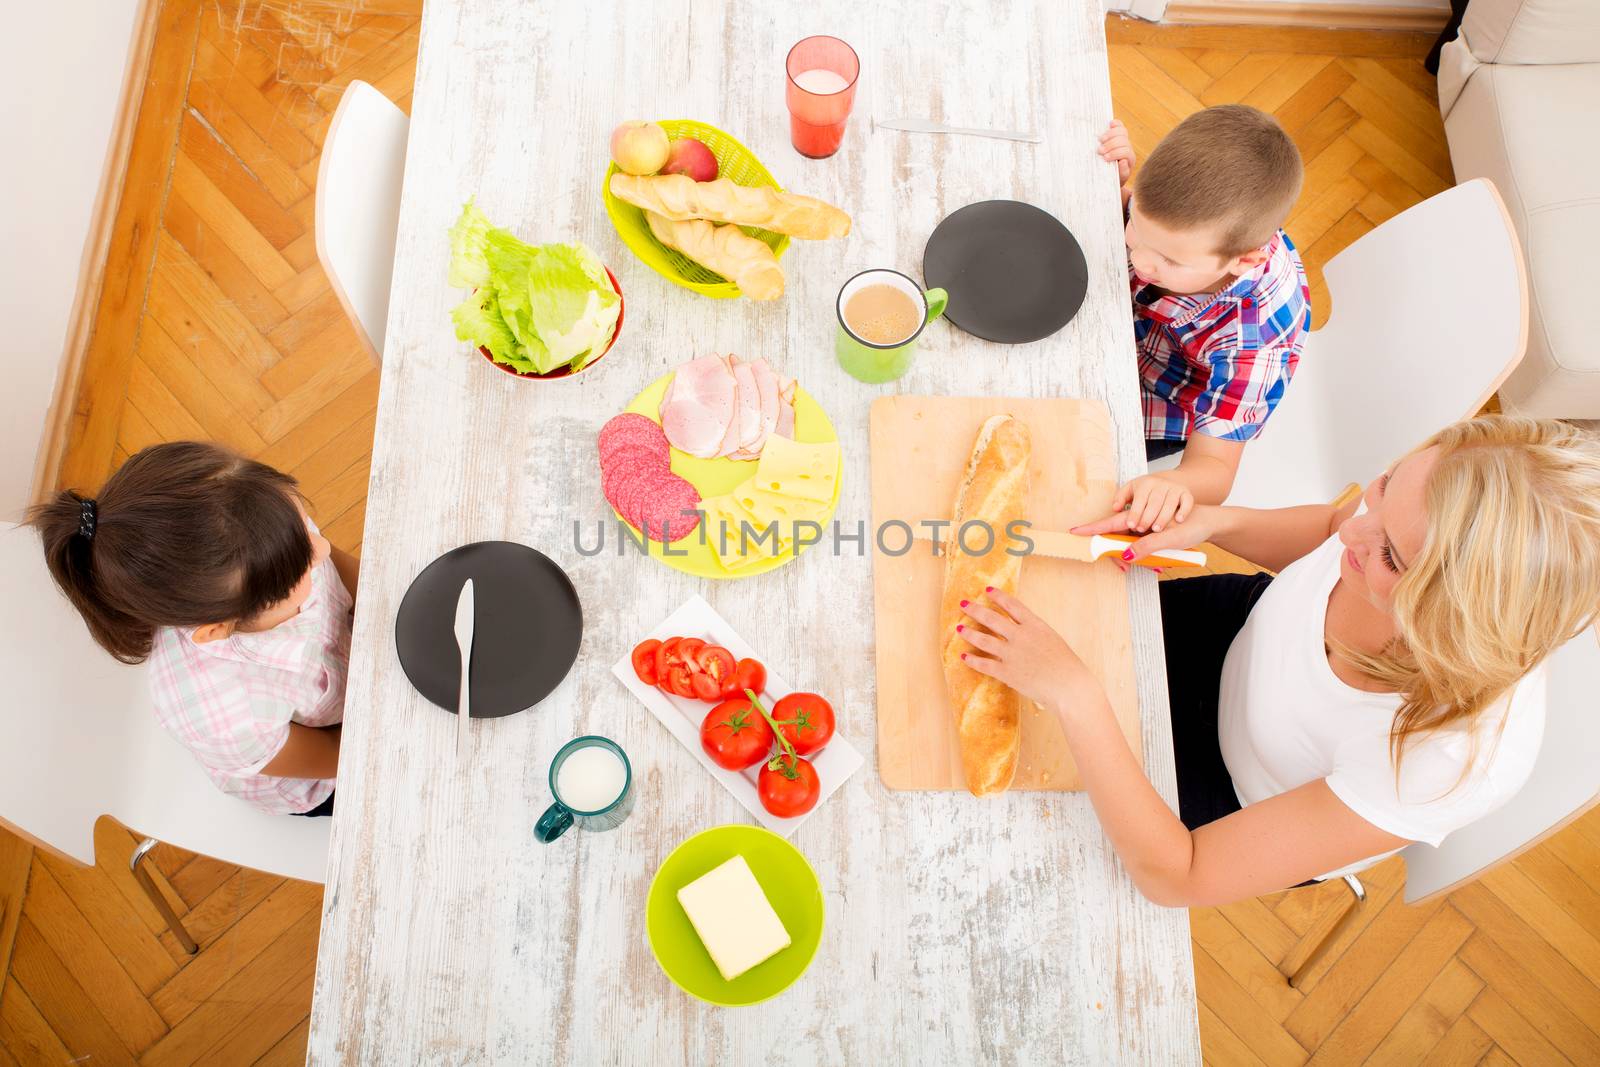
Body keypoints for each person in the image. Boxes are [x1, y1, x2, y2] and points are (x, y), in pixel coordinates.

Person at [954, 416, 1600, 904]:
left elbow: (1178, 874)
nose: (1356, 529)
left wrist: (1077, 694)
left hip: (1219, 798)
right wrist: (1216, 522)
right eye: (1384, 487)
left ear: (1450, 620)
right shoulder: (1400, 518)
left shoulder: (1443, 761)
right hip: (1236, 629)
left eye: (1391, 558)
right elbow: (1328, 530)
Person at [27, 442, 358, 817]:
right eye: (302, 565)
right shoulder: (224, 712)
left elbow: (343, 569)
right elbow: (336, 754)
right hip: (323, 761)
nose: (322, 551)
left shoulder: (272, 530)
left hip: (348, 669)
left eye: (303, 526)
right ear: (218, 629)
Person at [1097, 105, 1311, 533]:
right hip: (1128, 332)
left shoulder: (1257, 340)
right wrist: (1115, 186)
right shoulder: (1190, 230)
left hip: (1166, 400)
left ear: (1243, 259)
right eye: (1137, 229)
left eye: (1169, 260)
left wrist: (1173, 485)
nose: (1139, 260)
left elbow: (1213, 468)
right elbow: (1143, 219)